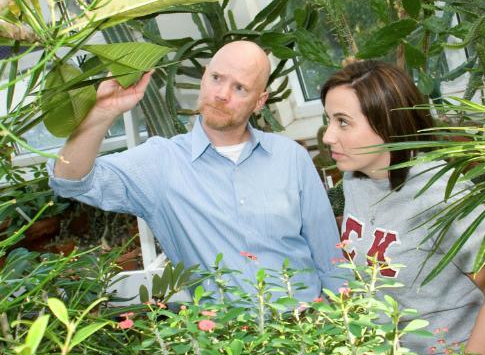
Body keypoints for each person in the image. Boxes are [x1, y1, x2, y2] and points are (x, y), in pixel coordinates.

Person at [49, 40, 342, 301]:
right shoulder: (160, 163)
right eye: (216, 78)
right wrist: (103, 112)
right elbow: (70, 181)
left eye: (240, 88)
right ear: (204, 79)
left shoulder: (291, 158)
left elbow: (330, 259)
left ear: (259, 102)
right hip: (225, 346)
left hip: (307, 331)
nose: (222, 94)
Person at [320, 61, 485, 355]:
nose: (328, 136)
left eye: (343, 123)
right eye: (329, 120)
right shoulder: (355, 179)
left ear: (387, 124)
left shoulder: (440, 193)